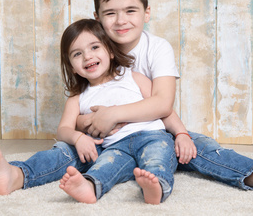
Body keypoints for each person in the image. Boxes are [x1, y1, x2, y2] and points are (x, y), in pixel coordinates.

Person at [0, 0, 253, 198]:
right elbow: (74, 116)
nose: (121, 21)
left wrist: (120, 116)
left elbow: (162, 104)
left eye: (131, 10)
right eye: (110, 13)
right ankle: (14, 177)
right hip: (103, 142)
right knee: (64, 152)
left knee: (198, 146)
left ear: (147, 12)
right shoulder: (95, 50)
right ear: (97, 18)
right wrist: (85, 124)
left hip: (154, 134)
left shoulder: (156, 48)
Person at [57, 18, 177, 204]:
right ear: (72, 67)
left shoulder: (133, 77)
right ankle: (90, 187)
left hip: (152, 136)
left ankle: (157, 187)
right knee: (105, 165)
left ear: (111, 52)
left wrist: (182, 133)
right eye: (77, 54)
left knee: (157, 160)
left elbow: (165, 109)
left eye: (95, 48)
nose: (87, 56)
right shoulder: (77, 97)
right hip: (115, 145)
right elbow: (63, 129)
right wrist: (78, 138)